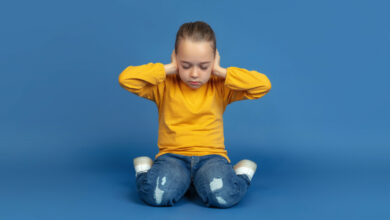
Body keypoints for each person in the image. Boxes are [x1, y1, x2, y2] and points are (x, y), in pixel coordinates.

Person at [118, 21, 272, 208]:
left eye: (204, 66)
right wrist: (168, 68)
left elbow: (263, 86)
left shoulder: (219, 85)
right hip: (173, 158)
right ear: (175, 58)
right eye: (185, 65)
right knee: (157, 196)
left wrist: (220, 71)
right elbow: (126, 79)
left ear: (214, 59)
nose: (194, 74)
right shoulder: (164, 84)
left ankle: (241, 175)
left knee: (223, 197)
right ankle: (144, 171)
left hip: (211, 158)